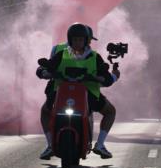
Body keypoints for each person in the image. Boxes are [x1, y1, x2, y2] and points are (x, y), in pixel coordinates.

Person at [36, 23, 120, 160]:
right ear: (70, 40)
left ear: (86, 40)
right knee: (45, 111)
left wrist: (99, 77)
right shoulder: (60, 54)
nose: (77, 42)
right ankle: (50, 145)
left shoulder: (95, 57)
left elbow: (106, 78)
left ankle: (99, 145)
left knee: (111, 111)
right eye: (75, 39)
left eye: (81, 39)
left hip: (89, 96)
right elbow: (46, 68)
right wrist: (44, 72)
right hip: (61, 94)